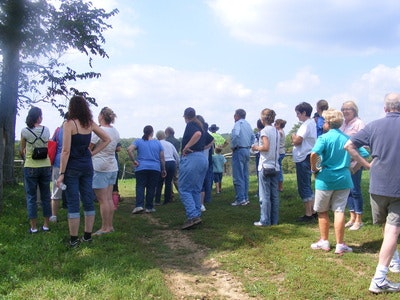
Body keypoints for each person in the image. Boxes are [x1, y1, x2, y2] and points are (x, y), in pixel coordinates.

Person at [345, 93, 400, 294]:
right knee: (393, 230)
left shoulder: (374, 126)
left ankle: (394, 261)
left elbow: (348, 145)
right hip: (397, 187)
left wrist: (366, 164)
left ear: (385, 108)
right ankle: (379, 279)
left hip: (378, 186)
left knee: (388, 226)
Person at [56, 95, 111, 248]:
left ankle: (74, 239)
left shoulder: (69, 124)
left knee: (74, 202)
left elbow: (66, 151)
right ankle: (87, 236)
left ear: (71, 108)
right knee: (88, 200)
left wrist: (61, 173)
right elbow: (107, 139)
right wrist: (92, 153)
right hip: (87, 166)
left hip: (72, 167)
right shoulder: (90, 123)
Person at [310, 108, 354, 254]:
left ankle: (324, 241)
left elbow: (314, 153)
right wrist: (353, 167)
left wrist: (314, 169)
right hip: (343, 178)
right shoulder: (347, 138)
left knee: (322, 211)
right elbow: (363, 153)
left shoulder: (324, 138)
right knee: (339, 210)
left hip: (325, 179)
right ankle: (340, 244)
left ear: (328, 122)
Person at [20, 107, 52, 233]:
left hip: (31, 166)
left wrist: (26, 157)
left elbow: (22, 149)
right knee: (46, 196)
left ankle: (33, 227)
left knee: (31, 197)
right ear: (39, 117)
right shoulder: (46, 130)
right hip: (45, 165)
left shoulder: (25, 131)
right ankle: (46, 225)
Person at [90, 107, 120, 235]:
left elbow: (89, 148)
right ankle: (110, 225)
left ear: (102, 116)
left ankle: (104, 227)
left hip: (100, 166)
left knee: (102, 200)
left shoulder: (99, 131)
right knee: (108, 198)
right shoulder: (115, 131)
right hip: (112, 166)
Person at [179, 107, 208, 229]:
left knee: (184, 189)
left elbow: (197, 134)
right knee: (195, 189)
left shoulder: (191, 125)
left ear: (185, 116)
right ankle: (197, 214)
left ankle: (192, 216)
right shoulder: (199, 124)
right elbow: (208, 140)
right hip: (202, 158)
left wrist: (186, 147)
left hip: (192, 158)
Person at [340, 101, 366, 231]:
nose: (345, 111)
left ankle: (359, 219)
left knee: (355, 190)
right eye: (343, 109)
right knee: (348, 190)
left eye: (348, 109)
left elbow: (363, 144)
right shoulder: (343, 124)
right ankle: (352, 216)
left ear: (354, 110)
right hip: (345, 162)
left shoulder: (358, 123)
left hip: (355, 162)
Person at [128, 125, 166, 214]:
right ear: (152, 133)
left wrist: (134, 161)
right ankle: (149, 207)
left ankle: (139, 205)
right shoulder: (157, 143)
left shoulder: (138, 141)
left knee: (140, 186)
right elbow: (162, 157)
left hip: (141, 167)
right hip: (155, 168)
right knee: (151, 187)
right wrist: (163, 169)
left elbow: (129, 149)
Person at [251, 108, 280, 226]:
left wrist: (256, 147)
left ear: (263, 119)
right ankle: (274, 220)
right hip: (275, 165)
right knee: (274, 195)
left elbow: (266, 147)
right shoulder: (277, 131)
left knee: (264, 195)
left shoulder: (264, 131)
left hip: (265, 165)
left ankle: (264, 220)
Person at [292, 102, 317, 222]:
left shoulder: (306, 125)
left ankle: (308, 213)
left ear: (304, 113)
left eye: (298, 113)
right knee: (307, 184)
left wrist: (293, 136)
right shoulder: (311, 123)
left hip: (303, 157)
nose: (297, 116)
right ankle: (313, 210)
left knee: (304, 185)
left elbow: (297, 140)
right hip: (307, 156)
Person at [230, 109, 254, 206]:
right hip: (247, 150)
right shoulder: (248, 124)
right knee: (245, 175)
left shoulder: (237, 124)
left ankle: (240, 199)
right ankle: (245, 197)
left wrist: (233, 145)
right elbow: (253, 137)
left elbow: (235, 134)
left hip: (239, 149)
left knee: (238, 175)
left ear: (237, 115)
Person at [49, 113, 68, 223]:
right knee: (72, 188)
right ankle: (72, 213)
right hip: (70, 162)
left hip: (57, 161)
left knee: (56, 190)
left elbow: (53, 142)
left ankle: (54, 215)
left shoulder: (58, 130)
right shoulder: (74, 130)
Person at [155, 130, 179, 205]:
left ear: (157, 137)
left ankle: (157, 200)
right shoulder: (169, 144)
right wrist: (177, 164)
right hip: (172, 163)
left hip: (163, 162)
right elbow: (176, 155)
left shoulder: (156, 144)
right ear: (164, 136)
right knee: (169, 182)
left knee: (160, 182)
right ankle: (167, 199)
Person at [165, 126, 180, 199]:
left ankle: (171, 195)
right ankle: (182, 192)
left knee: (169, 180)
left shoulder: (166, 141)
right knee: (176, 179)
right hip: (175, 161)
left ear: (167, 133)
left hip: (167, 161)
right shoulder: (177, 141)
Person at [274, 119, 287, 192]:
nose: (274, 125)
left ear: (279, 125)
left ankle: (280, 186)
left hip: (279, 152)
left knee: (278, 170)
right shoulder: (281, 131)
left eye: (276, 124)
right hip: (281, 152)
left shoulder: (279, 132)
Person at [112, 142, 122, 208]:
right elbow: (118, 149)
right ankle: (114, 205)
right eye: (120, 146)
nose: (120, 148)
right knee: (114, 188)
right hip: (114, 170)